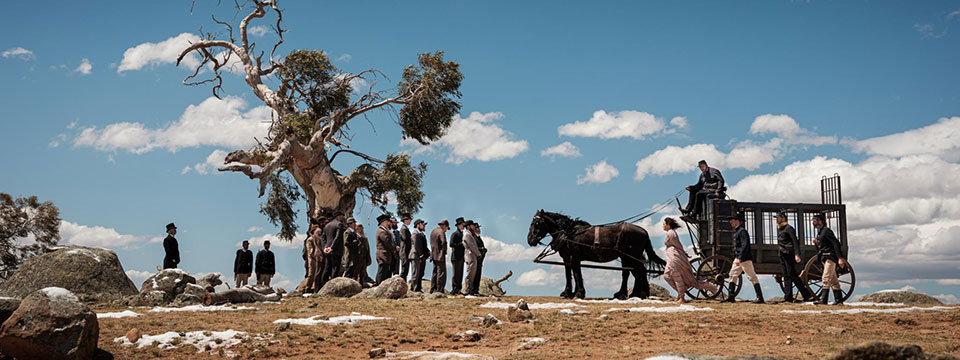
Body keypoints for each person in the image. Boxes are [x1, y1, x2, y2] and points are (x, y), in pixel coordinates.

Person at [661, 218, 717, 303]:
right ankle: (680, 293)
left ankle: (682, 297)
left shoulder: (671, 233)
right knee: (667, 276)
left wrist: (683, 253)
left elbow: (678, 245)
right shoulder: (670, 233)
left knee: (676, 276)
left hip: (675, 257)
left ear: (668, 225)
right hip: (671, 256)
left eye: (664, 224)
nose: (663, 225)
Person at [723, 212, 763, 304]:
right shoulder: (738, 231)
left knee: (752, 277)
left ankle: (760, 298)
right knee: (732, 275)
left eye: (732, 220)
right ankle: (731, 297)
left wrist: (740, 258)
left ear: (737, 221)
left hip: (744, 259)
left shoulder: (742, 231)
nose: (730, 222)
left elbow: (745, 246)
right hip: (739, 258)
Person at [776, 212, 815, 303]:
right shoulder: (780, 229)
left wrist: (797, 254)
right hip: (782, 254)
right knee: (786, 275)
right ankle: (789, 297)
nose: (777, 220)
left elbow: (795, 242)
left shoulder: (789, 228)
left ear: (783, 218)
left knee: (792, 275)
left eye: (778, 218)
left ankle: (806, 295)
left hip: (789, 254)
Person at [813, 213, 846, 305]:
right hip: (824, 257)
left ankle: (824, 300)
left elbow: (836, 244)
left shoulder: (827, 231)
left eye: (815, 221)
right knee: (833, 280)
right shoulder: (820, 232)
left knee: (826, 278)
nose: (814, 223)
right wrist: (816, 243)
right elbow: (821, 248)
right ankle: (839, 300)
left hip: (830, 257)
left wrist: (840, 258)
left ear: (820, 221)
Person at [320, 211, 346, 287]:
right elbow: (337, 238)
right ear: (338, 216)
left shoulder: (327, 225)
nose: (343, 217)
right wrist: (332, 247)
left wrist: (325, 247)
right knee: (335, 268)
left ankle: (323, 286)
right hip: (336, 250)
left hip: (327, 250)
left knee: (327, 268)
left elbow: (323, 237)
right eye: (342, 215)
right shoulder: (339, 224)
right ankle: (332, 286)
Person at [462, 220, 484, 296]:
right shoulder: (467, 235)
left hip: (472, 256)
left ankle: (470, 289)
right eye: (472, 225)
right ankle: (468, 289)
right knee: (470, 273)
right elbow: (472, 246)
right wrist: (478, 254)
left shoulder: (470, 234)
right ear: (468, 226)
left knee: (472, 273)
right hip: (470, 255)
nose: (473, 227)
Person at [375, 214, 398, 284]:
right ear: (383, 222)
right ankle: (378, 285)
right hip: (383, 254)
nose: (388, 223)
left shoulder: (385, 230)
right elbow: (387, 242)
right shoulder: (381, 231)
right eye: (387, 221)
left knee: (385, 271)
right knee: (382, 271)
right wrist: (394, 248)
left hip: (386, 254)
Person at [408, 219, 429, 292]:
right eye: (423, 225)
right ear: (418, 225)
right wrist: (420, 255)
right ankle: (413, 288)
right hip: (415, 255)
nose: (424, 226)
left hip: (420, 256)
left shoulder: (421, 233)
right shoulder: (415, 233)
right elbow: (416, 245)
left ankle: (418, 288)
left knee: (420, 273)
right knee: (415, 273)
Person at [430, 220, 449, 293]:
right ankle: (440, 289)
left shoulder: (433, 231)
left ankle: (433, 288)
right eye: (446, 228)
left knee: (435, 272)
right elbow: (443, 242)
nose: (446, 230)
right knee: (441, 273)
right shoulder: (441, 232)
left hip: (433, 255)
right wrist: (444, 251)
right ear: (445, 226)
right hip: (440, 255)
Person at [449, 217, 466, 295]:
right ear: (459, 225)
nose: (464, 226)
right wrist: (461, 244)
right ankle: (455, 289)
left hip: (461, 257)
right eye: (463, 224)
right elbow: (451, 244)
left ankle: (459, 289)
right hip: (455, 257)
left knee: (460, 273)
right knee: (456, 274)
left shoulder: (462, 234)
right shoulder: (455, 234)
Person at [472, 222, 488, 294]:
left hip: (480, 259)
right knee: (475, 275)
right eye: (477, 228)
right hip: (476, 259)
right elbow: (474, 248)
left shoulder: (478, 237)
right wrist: (481, 249)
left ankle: (476, 289)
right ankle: (473, 289)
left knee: (478, 274)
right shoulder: (474, 237)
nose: (479, 229)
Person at [398, 214, 413, 280]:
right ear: (405, 220)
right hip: (404, 251)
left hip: (407, 251)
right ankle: (402, 282)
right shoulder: (404, 229)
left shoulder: (406, 228)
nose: (410, 221)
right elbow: (405, 239)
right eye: (409, 220)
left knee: (406, 268)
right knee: (404, 269)